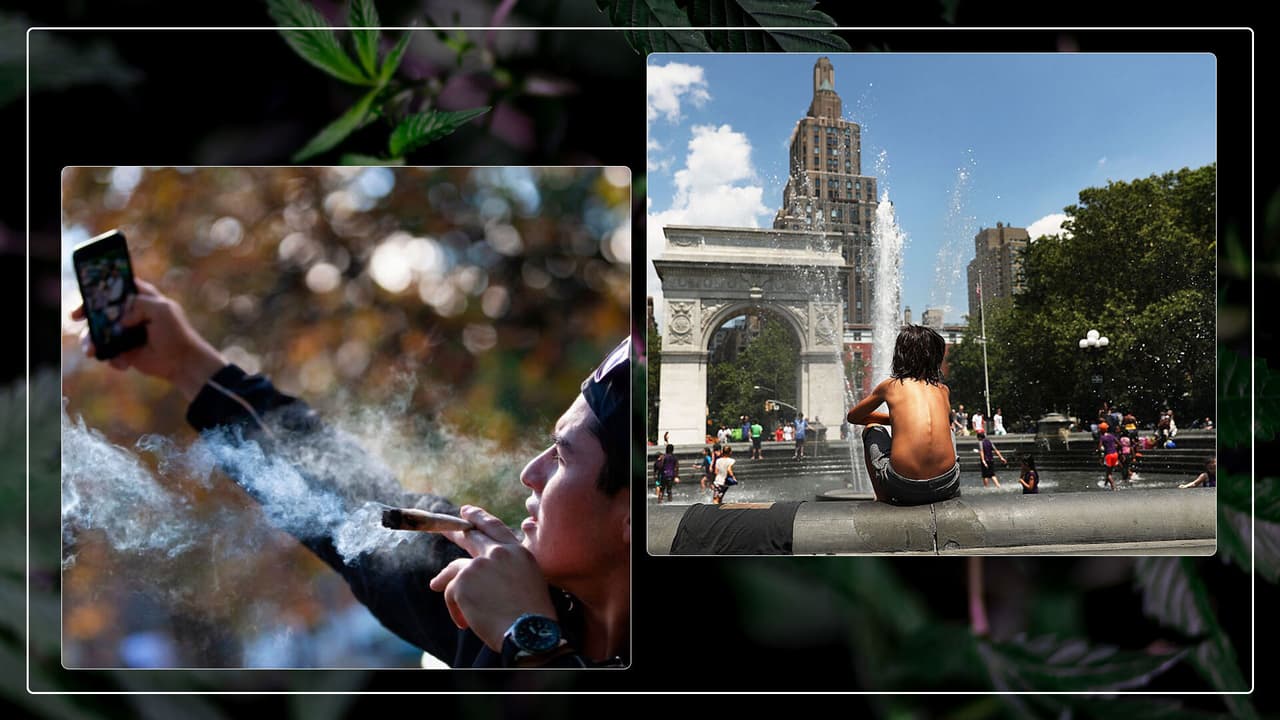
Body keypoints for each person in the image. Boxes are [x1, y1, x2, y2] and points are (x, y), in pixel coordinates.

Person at [72, 279, 630, 668]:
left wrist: (526, 637)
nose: (530, 474)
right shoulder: (490, 598)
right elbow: (350, 502)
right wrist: (187, 363)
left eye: (561, 456)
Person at [845, 325, 961, 506]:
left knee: (871, 429)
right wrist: (895, 421)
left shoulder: (890, 386)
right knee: (949, 430)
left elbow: (853, 417)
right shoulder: (944, 390)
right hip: (947, 485)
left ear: (901, 354)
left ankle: (882, 498)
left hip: (903, 487)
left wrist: (890, 422)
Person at [1098, 421, 1119, 491]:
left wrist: (1100, 457)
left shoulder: (1102, 437)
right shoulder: (1111, 435)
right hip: (1115, 454)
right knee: (1109, 471)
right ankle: (1105, 484)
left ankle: (1113, 486)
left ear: (1101, 430)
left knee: (1108, 473)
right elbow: (1119, 444)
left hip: (1108, 455)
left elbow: (1100, 448)